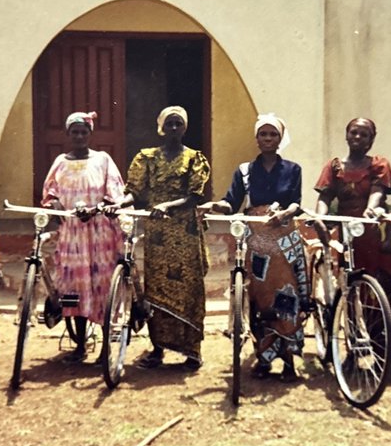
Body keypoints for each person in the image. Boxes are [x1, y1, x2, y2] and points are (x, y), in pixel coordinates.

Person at [206, 113, 308, 381]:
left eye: (273, 134)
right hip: (258, 243)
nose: (267, 139)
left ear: (280, 138)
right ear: (256, 139)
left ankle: (288, 362)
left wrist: (286, 214)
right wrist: (215, 205)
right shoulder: (244, 171)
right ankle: (263, 360)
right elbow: (232, 202)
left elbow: (296, 203)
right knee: (258, 301)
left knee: (287, 298)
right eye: (263, 134)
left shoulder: (293, 169)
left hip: (284, 241)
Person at [119, 106, 212, 371]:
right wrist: (119, 203)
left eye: (178, 124)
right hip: (158, 235)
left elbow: (195, 196)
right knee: (156, 291)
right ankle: (158, 348)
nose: (174, 129)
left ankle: (193, 351)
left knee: (189, 291)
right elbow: (134, 192)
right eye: (169, 124)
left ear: (185, 128)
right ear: (161, 127)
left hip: (185, 232)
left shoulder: (195, 158)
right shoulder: (146, 158)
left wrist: (167, 206)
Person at [41, 111, 126, 362]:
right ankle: (79, 345)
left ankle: (104, 349)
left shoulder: (103, 160)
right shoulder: (60, 162)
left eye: (84, 132)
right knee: (73, 289)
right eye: (75, 132)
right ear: (68, 134)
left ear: (90, 134)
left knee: (102, 287)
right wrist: (55, 205)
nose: (79, 136)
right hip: (72, 235)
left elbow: (115, 192)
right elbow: (50, 193)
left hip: (99, 234)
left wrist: (100, 208)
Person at [313, 117, 391, 298]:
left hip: (376, 229)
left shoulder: (379, 164)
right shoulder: (334, 167)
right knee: (352, 278)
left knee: (382, 281)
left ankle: (386, 325)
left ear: (372, 139)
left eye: (364, 134)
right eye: (354, 132)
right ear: (346, 135)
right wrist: (319, 218)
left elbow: (378, 190)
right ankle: (354, 324)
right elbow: (325, 196)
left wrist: (370, 208)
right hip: (350, 231)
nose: (358, 137)